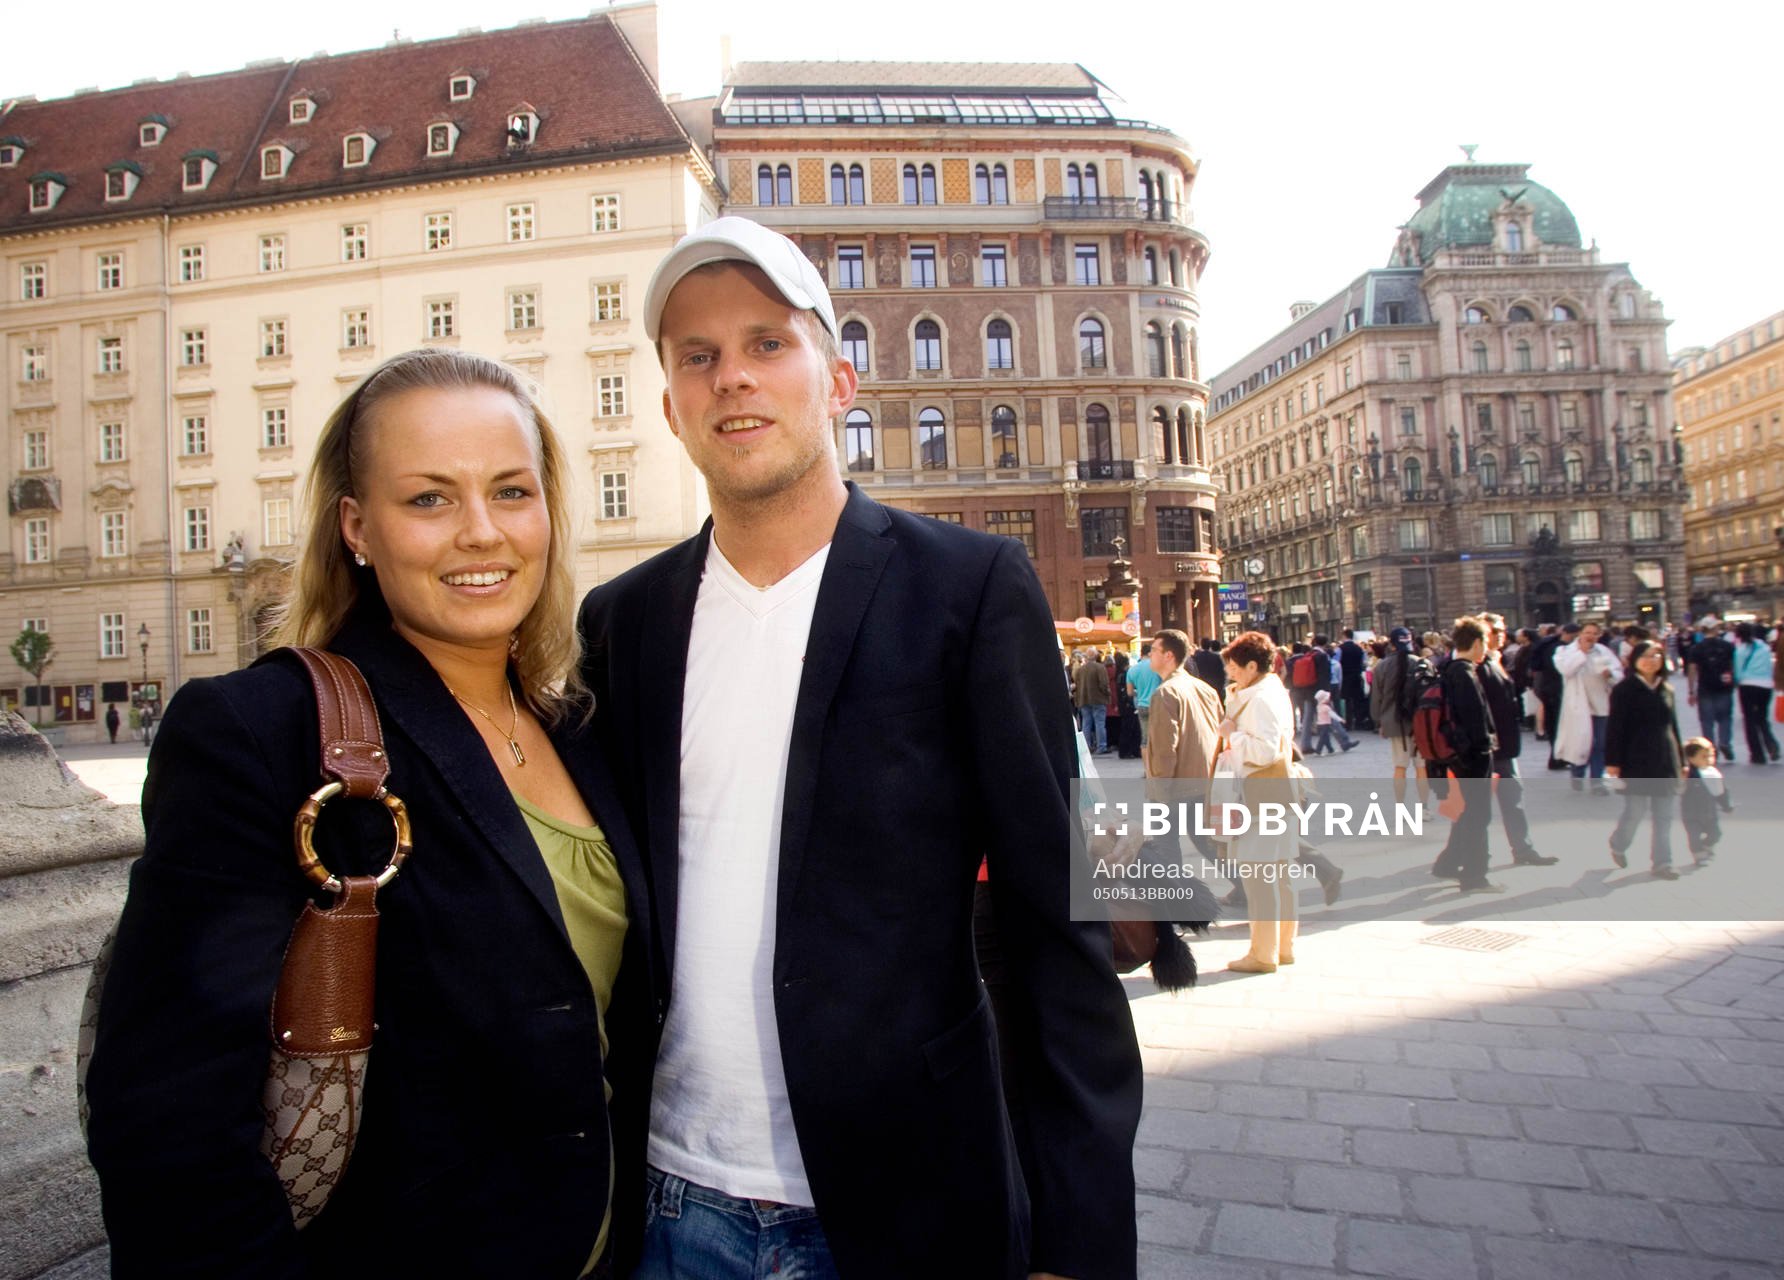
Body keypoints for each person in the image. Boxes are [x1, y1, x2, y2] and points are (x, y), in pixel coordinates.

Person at [577, 217, 1142, 1280]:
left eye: (766, 343)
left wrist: (1077, 1238)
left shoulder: (966, 590)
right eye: (697, 356)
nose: (731, 376)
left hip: (908, 1200)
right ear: (669, 408)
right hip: (670, 1206)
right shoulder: (622, 620)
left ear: (839, 382)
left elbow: (1055, 921)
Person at [86, 349, 651, 1275]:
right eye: (429, 499)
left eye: (511, 492)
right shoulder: (264, 732)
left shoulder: (581, 727)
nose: (482, 532)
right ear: (357, 526)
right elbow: (168, 1122)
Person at [1215, 631, 1300, 973]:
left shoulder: (1260, 699)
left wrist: (1231, 735)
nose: (1230, 673)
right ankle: (1283, 947)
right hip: (1277, 791)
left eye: (1235, 667)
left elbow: (1265, 751)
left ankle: (1262, 953)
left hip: (1259, 793)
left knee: (1259, 875)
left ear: (1252, 666)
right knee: (1278, 873)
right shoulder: (1269, 691)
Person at [1604, 640, 1685, 880]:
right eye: (1645, 656)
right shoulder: (1624, 690)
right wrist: (1613, 761)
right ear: (1635, 660)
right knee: (1635, 811)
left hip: (1665, 759)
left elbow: (1673, 727)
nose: (1651, 661)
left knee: (1664, 816)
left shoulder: (1666, 689)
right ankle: (1619, 842)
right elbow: (1615, 728)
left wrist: (1682, 761)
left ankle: (1663, 863)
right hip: (1635, 760)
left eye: (1656, 655)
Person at [1431, 617, 1501, 894]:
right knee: (1479, 815)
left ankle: (1447, 864)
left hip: (1458, 754)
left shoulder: (1447, 669)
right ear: (1476, 643)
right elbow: (1474, 720)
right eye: (1485, 641)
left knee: (1468, 811)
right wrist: (1485, 746)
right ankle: (1475, 876)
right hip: (1473, 755)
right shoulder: (1465, 674)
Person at [1478, 614, 1554, 867]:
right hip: (1491, 746)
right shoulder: (1477, 665)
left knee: (1513, 799)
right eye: (1494, 631)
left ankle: (1523, 849)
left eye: (1502, 630)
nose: (1501, 635)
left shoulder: (1495, 659)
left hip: (1505, 744)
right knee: (1480, 807)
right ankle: (1471, 854)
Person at [1143, 629, 1223, 785]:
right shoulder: (1206, 689)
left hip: (1180, 788)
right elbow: (1221, 734)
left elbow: (1164, 748)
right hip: (1207, 780)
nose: (1150, 654)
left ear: (1168, 655)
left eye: (1154, 650)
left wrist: (1159, 788)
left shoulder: (1165, 693)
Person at [1555, 621, 1621, 794]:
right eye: (1587, 632)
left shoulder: (1604, 651)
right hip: (1578, 705)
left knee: (1600, 744)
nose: (1590, 636)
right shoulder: (1565, 651)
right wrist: (1581, 653)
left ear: (1599, 636)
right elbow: (1566, 670)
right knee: (1581, 743)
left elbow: (1619, 674)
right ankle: (1577, 772)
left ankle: (1597, 781)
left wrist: (1610, 675)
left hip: (1601, 704)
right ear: (1580, 634)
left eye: (1594, 633)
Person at [1369, 627, 1429, 809]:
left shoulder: (1382, 666)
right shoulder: (1423, 663)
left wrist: (1379, 721)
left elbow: (1377, 697)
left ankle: (1400, 807)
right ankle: (1424, 808)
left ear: (1392, 645)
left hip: (1395, 721)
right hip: (1420, 722)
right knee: (1421, 767)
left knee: (1400, 767)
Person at [1685, 620, 1738, 762]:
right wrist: (1734, 680)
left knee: (1706, 720)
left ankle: (1710, 748)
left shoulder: (1696, 648)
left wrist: (1691, 691)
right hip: (1724, 686)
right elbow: (1734, 665)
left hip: (1705, 687)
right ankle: (1725, 742)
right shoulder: (1727, 646)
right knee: (1725, 717)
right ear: (1715, 629)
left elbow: (1692, 670)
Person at [1732, 622, 1781, 764]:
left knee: (1749, 720)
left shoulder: (1740, 651)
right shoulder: (1764, 647)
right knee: (1762, 718)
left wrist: (1736, 682)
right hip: (1766, 685)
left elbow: (1738, 671)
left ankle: (1757, 754)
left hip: (1748, 685)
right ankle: (1771, 744)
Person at [1679, 737, 1733, 864]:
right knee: (1694, 836)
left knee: (1716, 834)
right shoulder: (1688, 774)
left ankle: (1707, 846)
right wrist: (1682, 780)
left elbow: (1721, 791)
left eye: (1711, 756)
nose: (1709, 759)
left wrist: (1727, 806)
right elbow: (1679, 790)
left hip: (1710, 813)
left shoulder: (1713, 773)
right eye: (1704, 756)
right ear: (1691, 758)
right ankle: (1699, 855)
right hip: (1691, 814)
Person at [1073, 647, 1112, 754]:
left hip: (1084, 699)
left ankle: (1086, 746)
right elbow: (1104, 684)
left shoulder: (1080, 670)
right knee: (1099, 723)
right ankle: (1101, 746)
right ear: (1096, 656)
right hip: (1098, 698)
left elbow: (1077, 684)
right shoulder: (1100, 668)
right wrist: (1107, 694)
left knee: (1086, 723)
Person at [1126, 640, 1162, 750]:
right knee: (1159, 737)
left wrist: (1139, 691)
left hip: (1141, 704)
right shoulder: (1157, 667)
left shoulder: (1132, 670)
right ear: (1151, 653)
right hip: (1157, 704)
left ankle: (1146, 760)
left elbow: (1130, 692)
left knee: (1145, 739)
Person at [1338, 630, 1371, 730]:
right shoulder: (1359, 649)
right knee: (1358, 699)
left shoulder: (1340, 649)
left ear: (1344, 636)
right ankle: (1359, 721)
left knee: (1347, 700)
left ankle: (1348, 722)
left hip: (1345, 676)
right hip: (1356, 676)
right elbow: (1364, 662)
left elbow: (1337, 663)